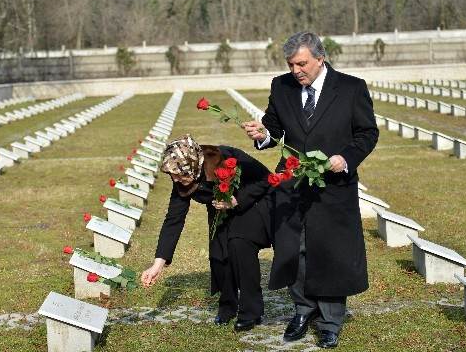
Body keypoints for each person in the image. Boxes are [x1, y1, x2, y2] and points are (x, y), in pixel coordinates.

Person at [242, 31, 379, 348]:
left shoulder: (351, 88)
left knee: (331, 251)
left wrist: (345, 158)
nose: (296, 71)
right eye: (291, 65)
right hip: (292, 183)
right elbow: (273, 129)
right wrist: (262, 134)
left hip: (334, 186)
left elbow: (367, 133)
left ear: (320, 58)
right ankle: (303, 310)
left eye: (301, 64)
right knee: (294, 248)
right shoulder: (281, 86)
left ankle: (330, 320)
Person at [141, 135, 272, 332]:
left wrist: (236, 200)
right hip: (219, 209)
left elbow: (265, 178)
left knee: (239, 247)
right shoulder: (182, 174)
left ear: (193, 165)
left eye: (179, 175)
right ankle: (227, 306)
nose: (175, 179)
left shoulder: (227, 157)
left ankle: (251, 311)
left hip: (247, 203)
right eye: (172, 175)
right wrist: (157, 265)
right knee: (218, 255)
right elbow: (173, 220)